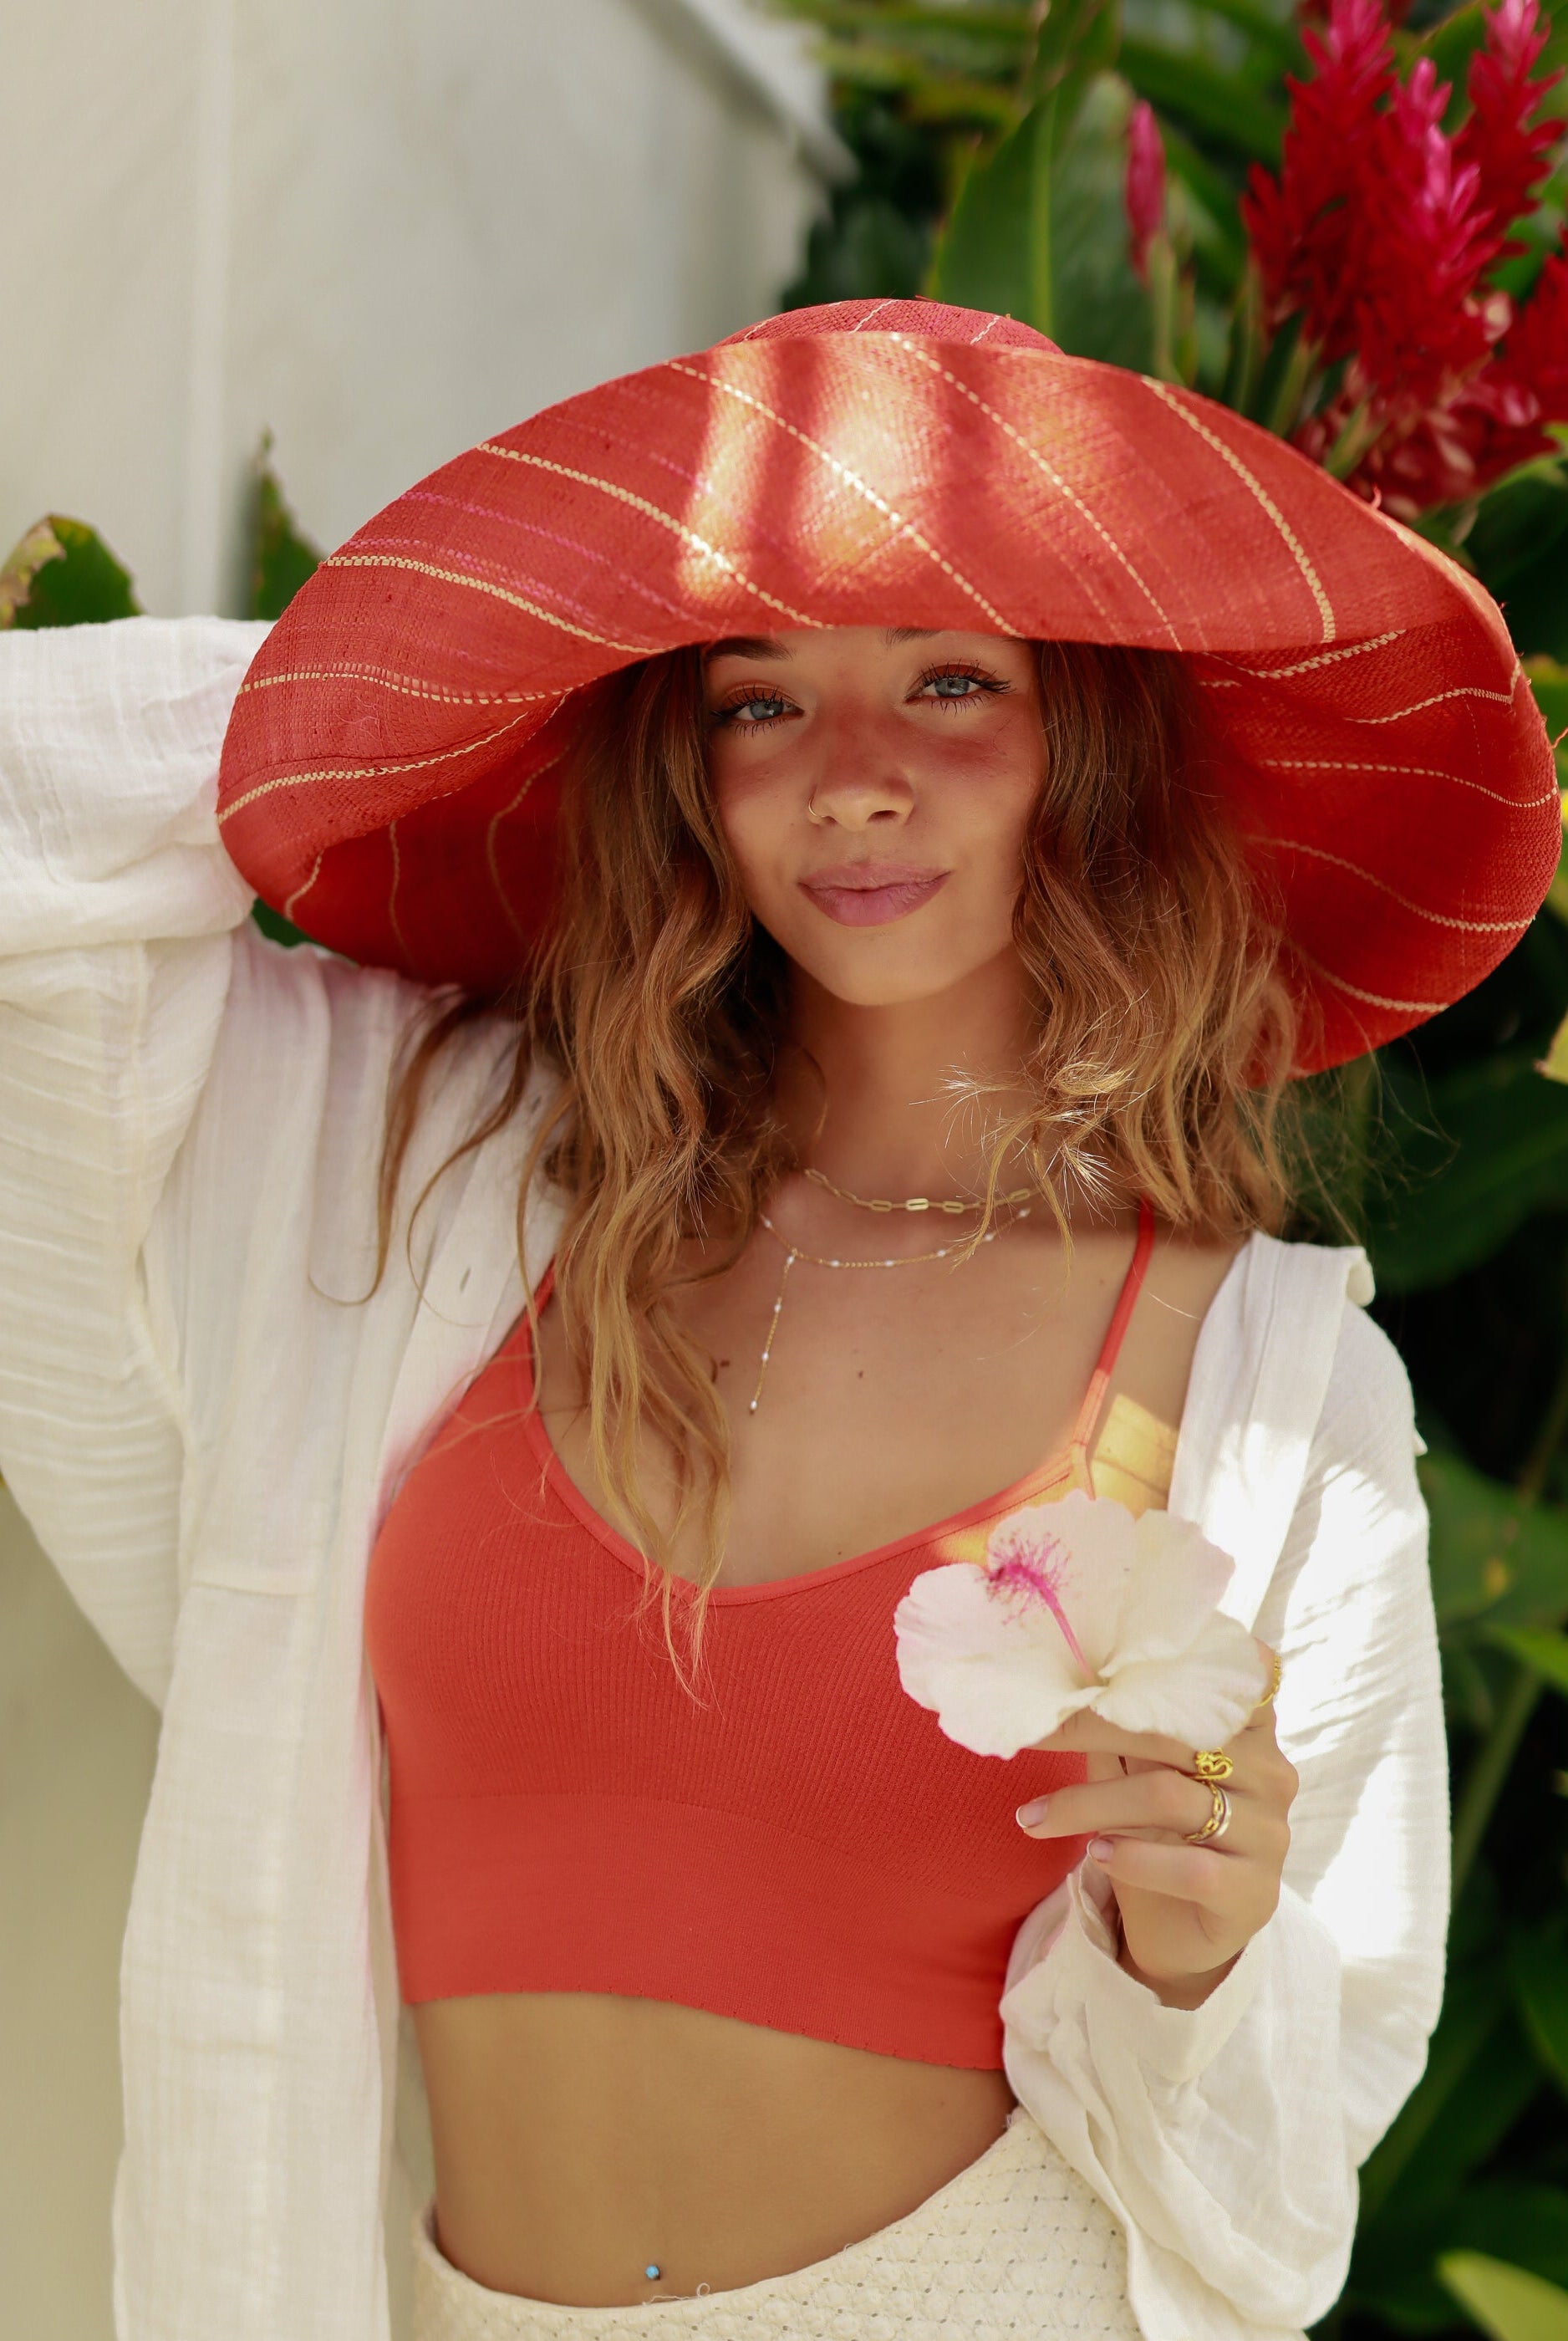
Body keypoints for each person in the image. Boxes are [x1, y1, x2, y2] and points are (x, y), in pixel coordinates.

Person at [0, 298, 1556, 2341]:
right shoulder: (438, 1182)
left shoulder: (1264, 1383)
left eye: (946, 684)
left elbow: (1274, 2212)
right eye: (758, 703)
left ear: (1083, 737)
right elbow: (39, 882)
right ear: (675, 758)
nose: (852, 785)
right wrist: (399, 688)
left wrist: (1191, 1955)